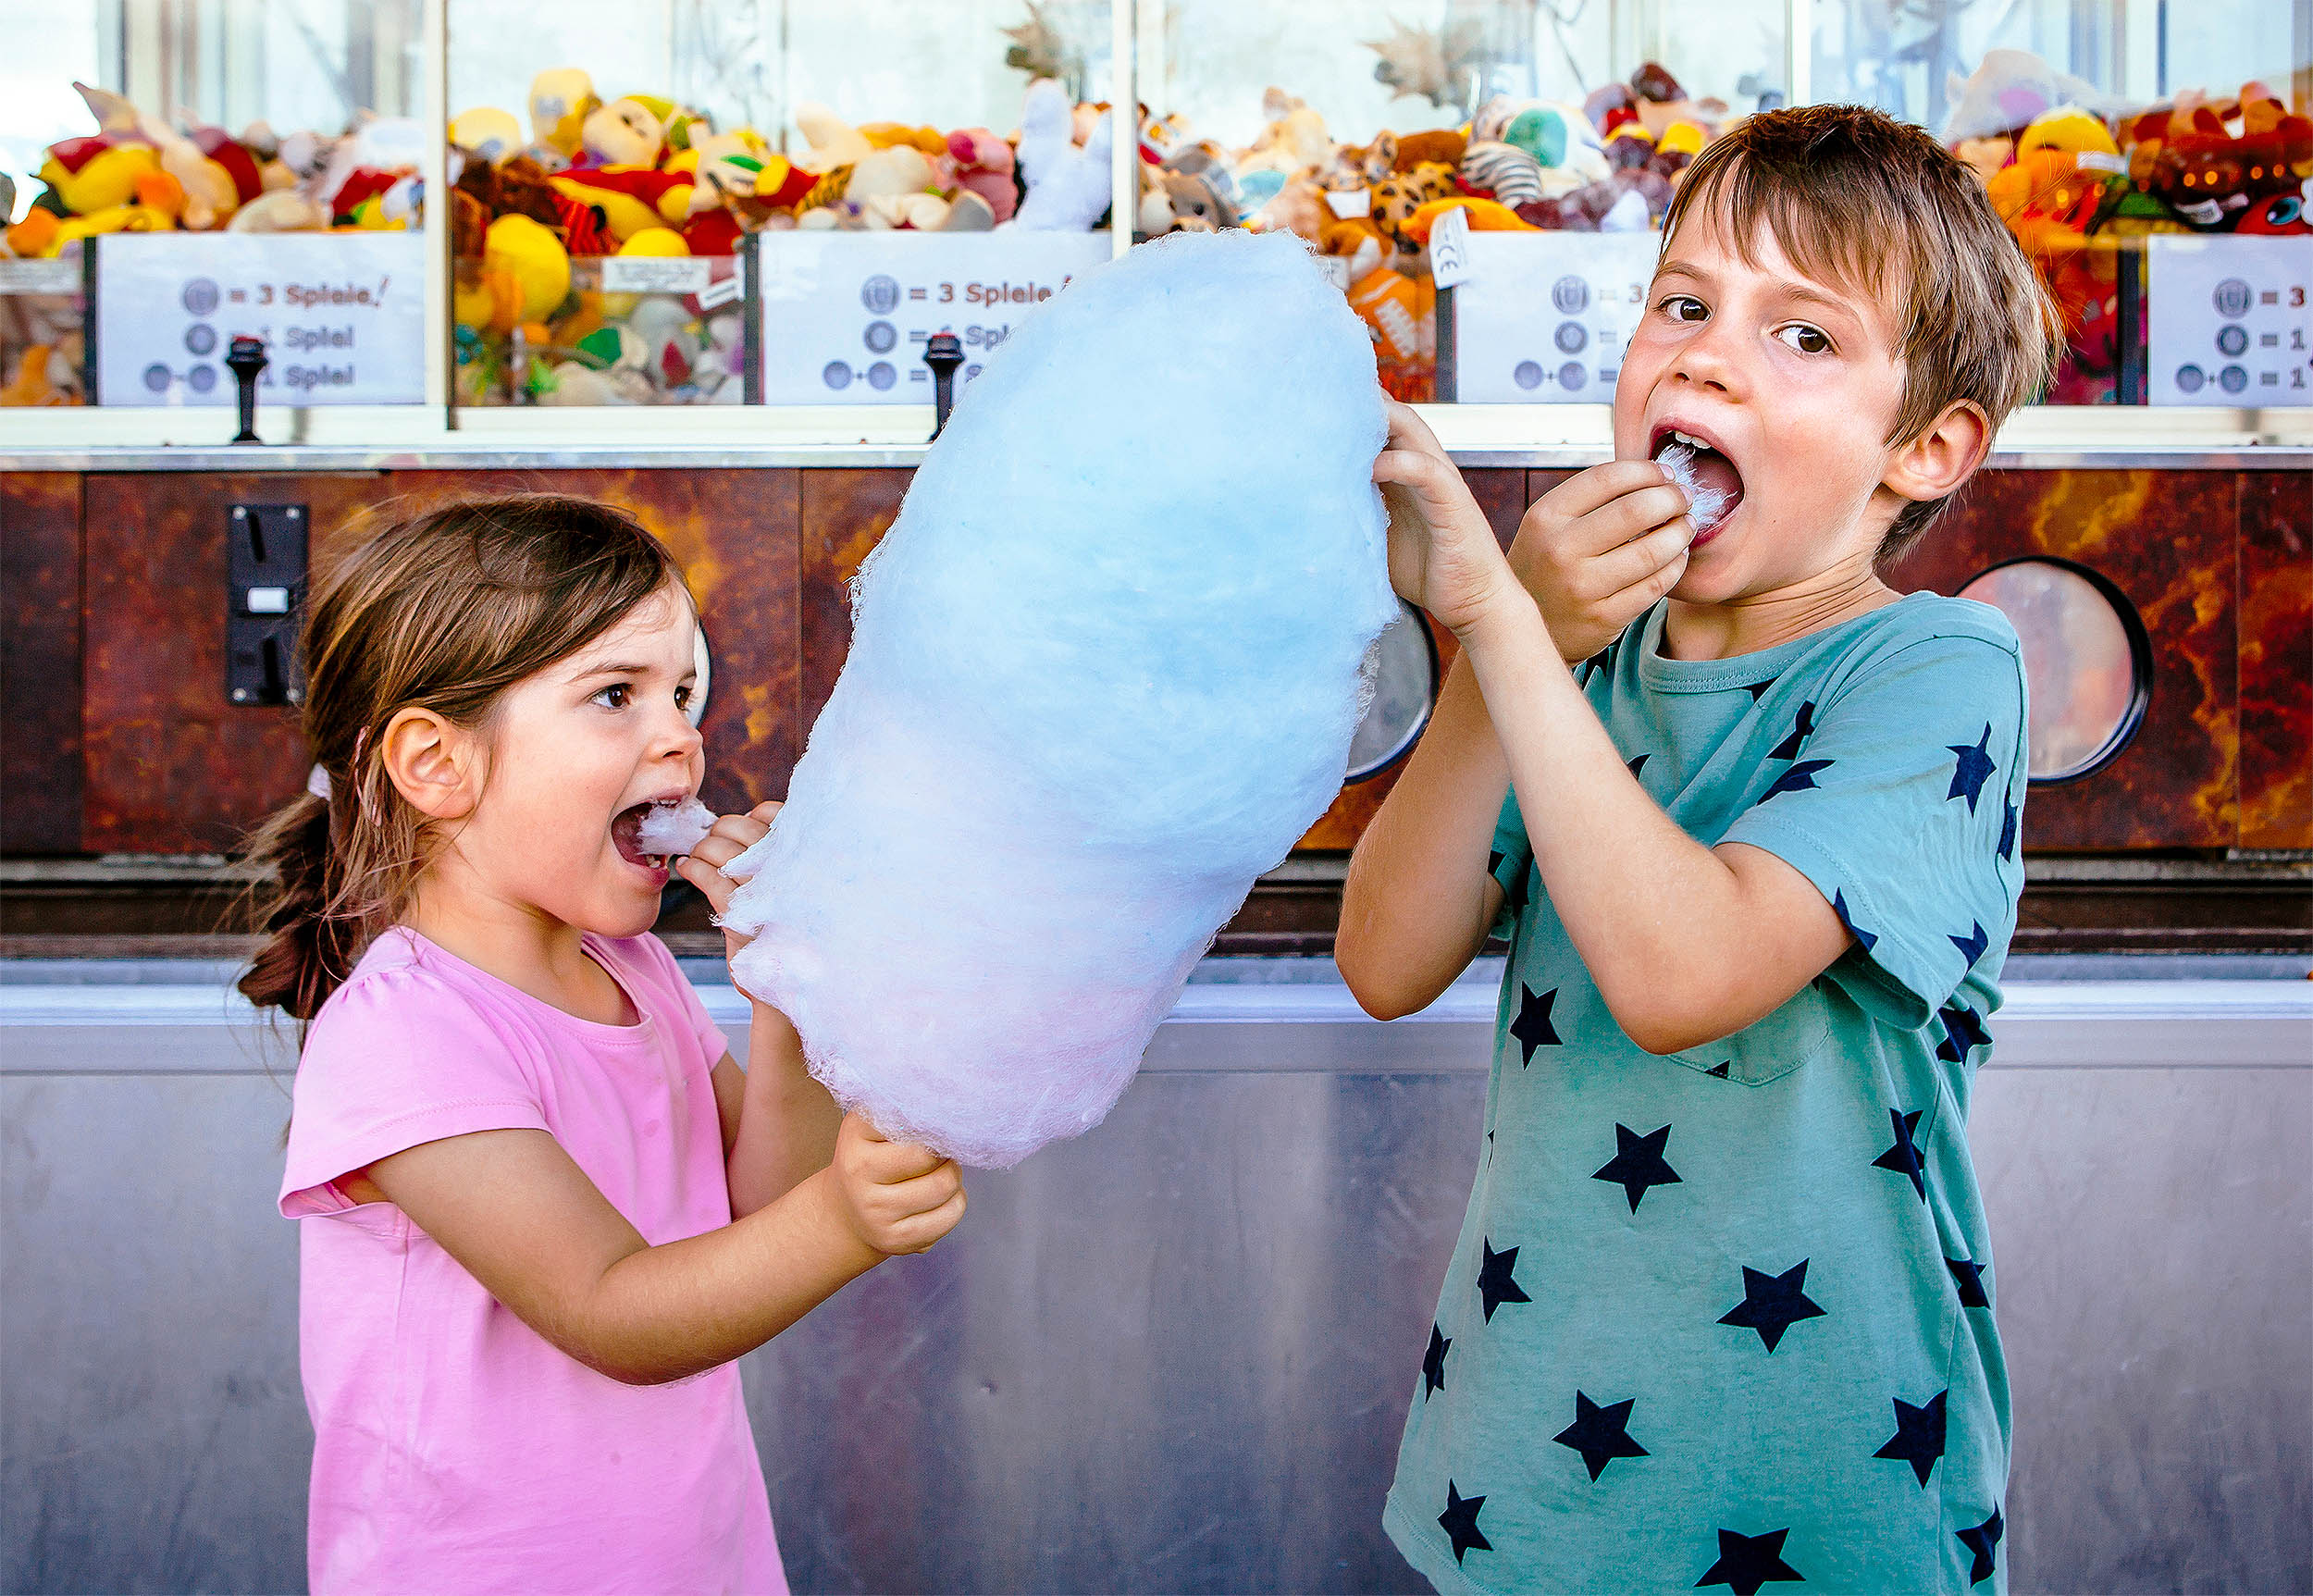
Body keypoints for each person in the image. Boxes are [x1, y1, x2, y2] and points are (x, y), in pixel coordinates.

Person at [1342, 105, 2056, 1594]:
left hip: (1830, 1496)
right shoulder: (1582, 665)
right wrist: (1517, 645)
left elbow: (1688, 969)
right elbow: (1387, 958)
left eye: (1805, 338)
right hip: (1526, 1472)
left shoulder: (1935, 672)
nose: (1709, 356)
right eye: (1683, 303)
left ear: (1924, 449)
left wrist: (1495, 619)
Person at [239, 494, 966, 1593]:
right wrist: (846, 1219)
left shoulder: (635, 975)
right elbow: (613, 1310)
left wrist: (787, 996)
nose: (680, 733)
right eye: (615, 695)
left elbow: (749, 1218)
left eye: (681, 690)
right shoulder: (408, 1036)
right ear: (436, 765)